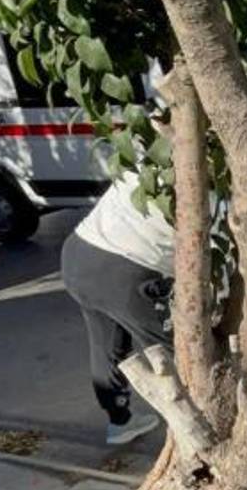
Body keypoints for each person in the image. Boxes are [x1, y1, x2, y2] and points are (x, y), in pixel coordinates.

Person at [61, 173, 175, 445]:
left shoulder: (149, 156)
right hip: (126, 271)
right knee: (175, 352)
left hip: (78, 252)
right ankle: (194, 431)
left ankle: (119, 422)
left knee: (107, 345)